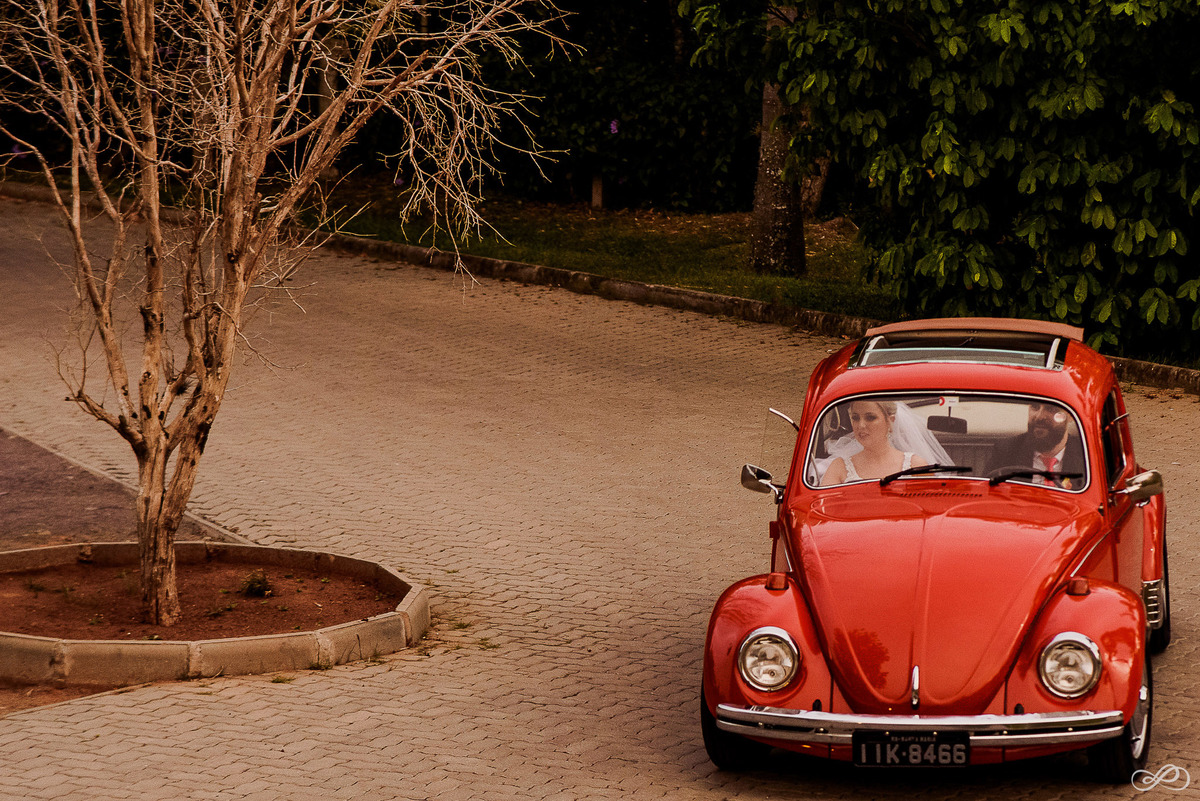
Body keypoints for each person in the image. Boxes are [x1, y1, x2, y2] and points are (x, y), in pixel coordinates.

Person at [820, 399, 936, 485]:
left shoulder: (916, 465)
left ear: (890, 422)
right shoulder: (839, 468)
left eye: (870, 418)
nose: (861, 425)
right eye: (855, 418)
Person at [986, 401, 1084, 487]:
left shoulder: (1086, 455)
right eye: (1035, 407)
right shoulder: (1007, 450)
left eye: (1051, 409)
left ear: (1070, 415)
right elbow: (988, 493)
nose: (1039, 416)